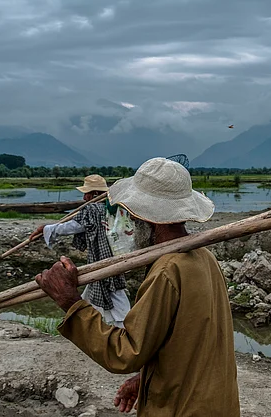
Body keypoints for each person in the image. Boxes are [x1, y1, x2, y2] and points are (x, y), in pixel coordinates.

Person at [34, 158, 240, 416]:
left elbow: (125, 353)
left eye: (130, 214)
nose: (128, 220)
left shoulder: (167, 271)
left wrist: (70, 303)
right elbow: (185, 343)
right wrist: (146, 378)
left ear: (145, 218)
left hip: (185, 408)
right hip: (214, 402)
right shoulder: (203, 256)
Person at [30, 174, 131, 327]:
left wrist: (46, 228)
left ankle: (126, 326)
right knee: (94, 292)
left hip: (103, 258)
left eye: (87, 193)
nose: (84, 197)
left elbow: (72, 227)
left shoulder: (92, 209)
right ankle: (84, 325)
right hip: (112, 254)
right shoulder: (112, 206)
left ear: (95, 194)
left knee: (112, 290)